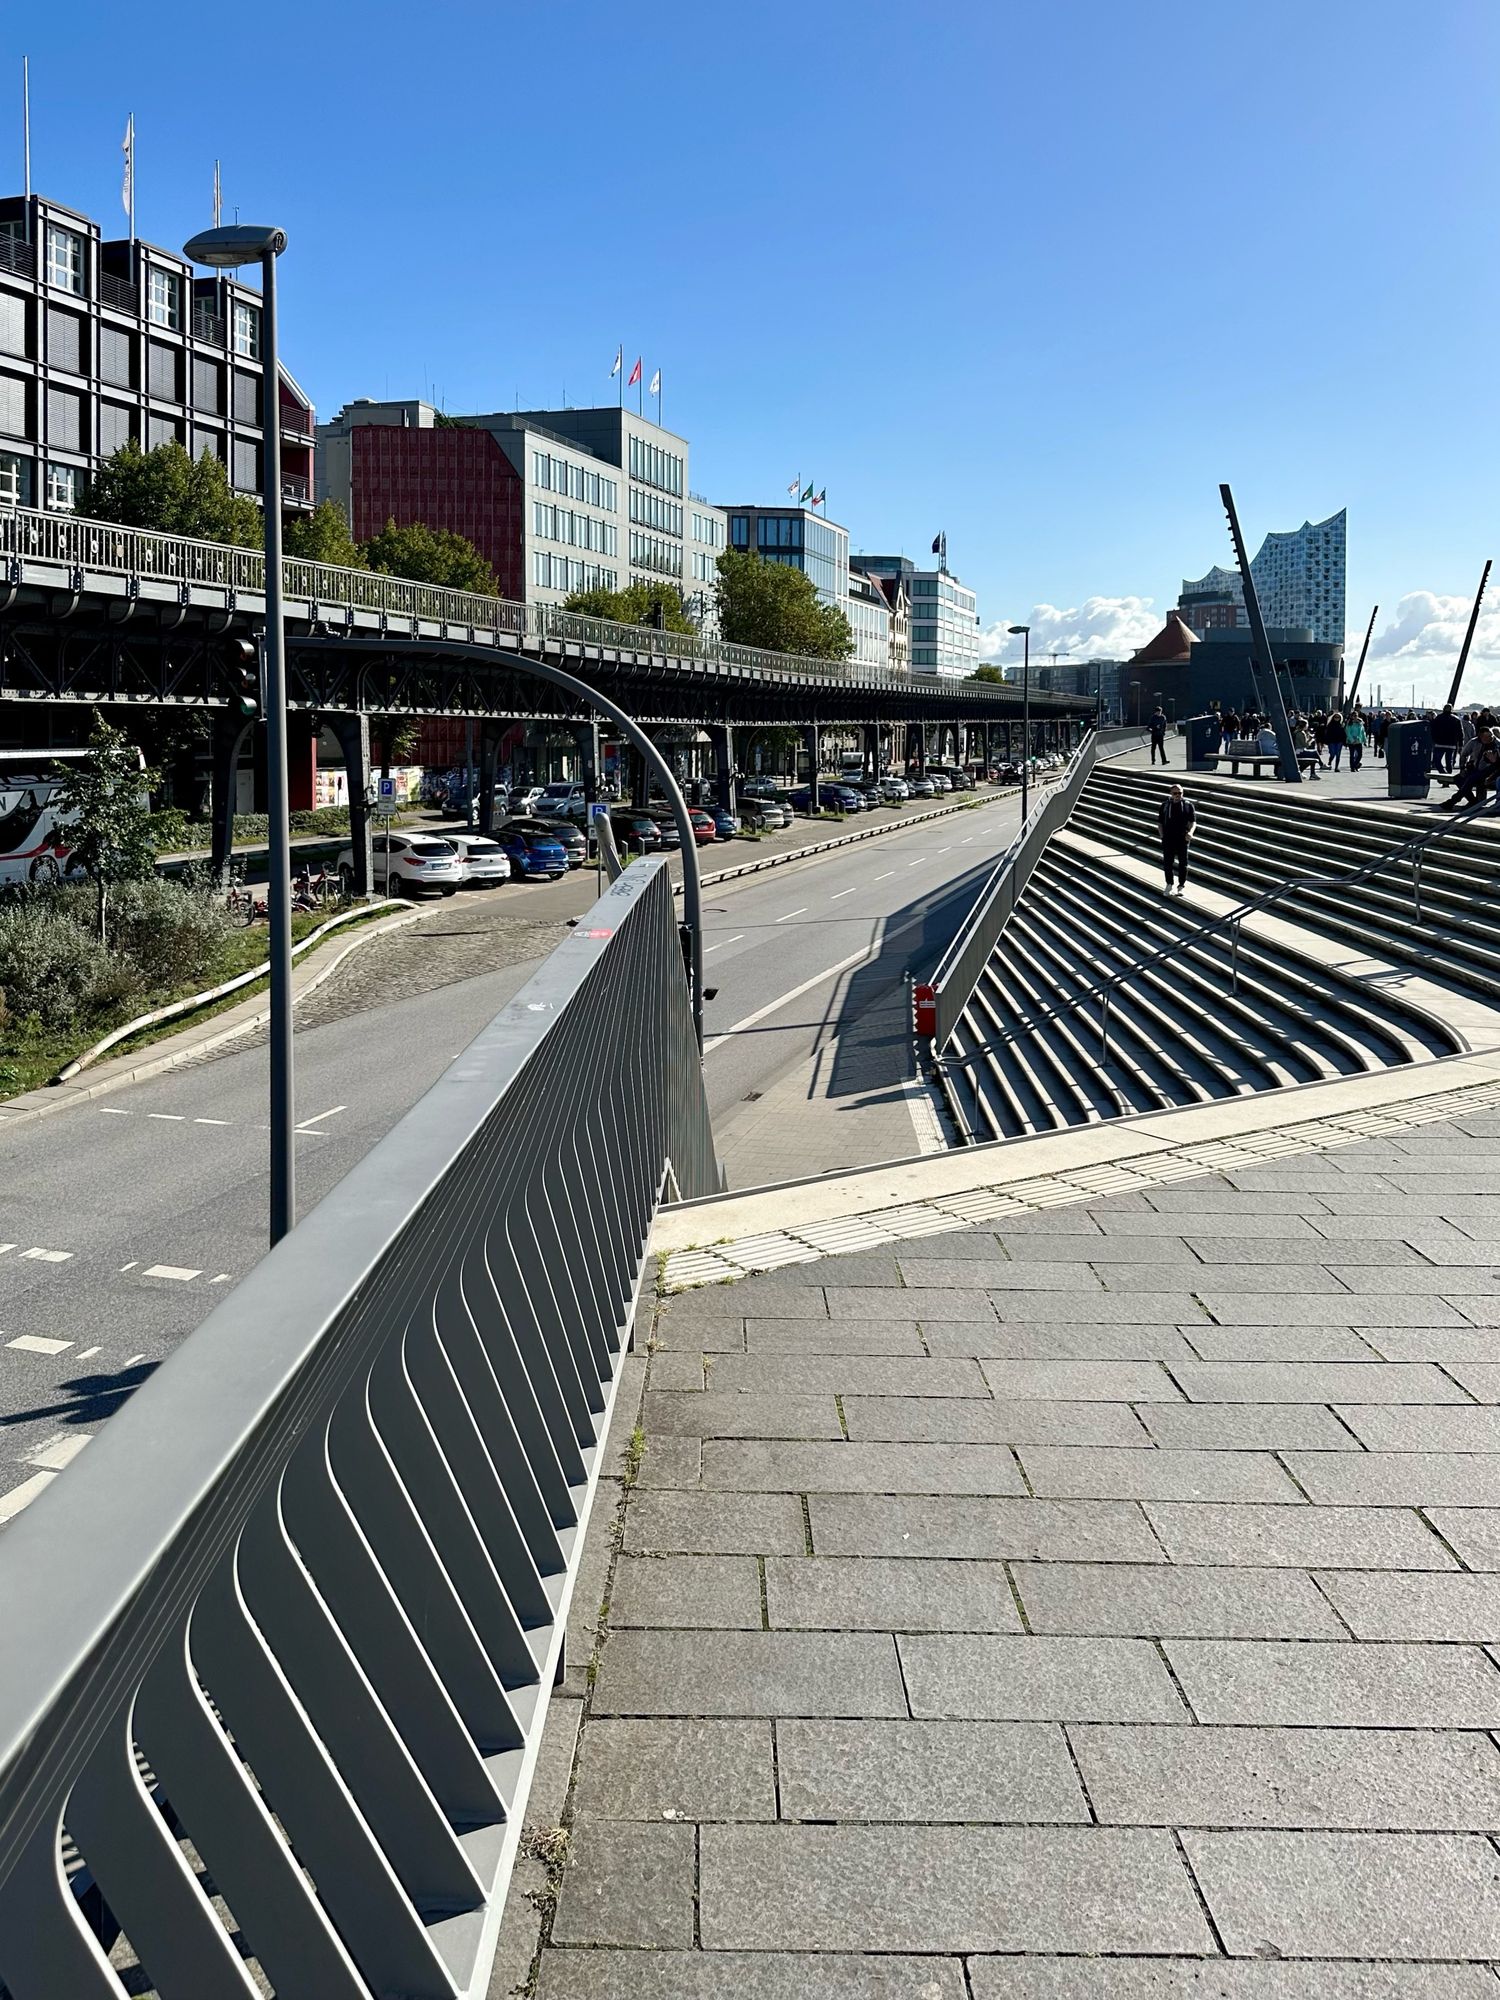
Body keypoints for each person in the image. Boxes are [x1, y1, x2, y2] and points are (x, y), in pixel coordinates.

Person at [1442, 726, 1500, 809]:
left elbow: (1496, 764)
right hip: (1474, 768)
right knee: (1459, 779)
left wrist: (1493, 762)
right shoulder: (1474, 742)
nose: (1490, 738)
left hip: (1489, 771)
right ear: (1481, 737)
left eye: (1491, 736)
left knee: (1472, 779)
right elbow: (1463, 754)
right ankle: (1473, 801)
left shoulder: (1497, 744)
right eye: (1487, 737)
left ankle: (1452, 801)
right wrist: (1462, 768)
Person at [1158, 783, 1195, 895]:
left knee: (1183, 863)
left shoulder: (1188, 805)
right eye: (1175, 793)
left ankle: (1181, 886)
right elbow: (1159, 822)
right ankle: (1169, 884)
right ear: (1171, 794)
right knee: (1168, 863)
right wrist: (1162, 836)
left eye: (1180, 793)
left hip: (1182, 837)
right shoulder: (1165, 805)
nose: (1178, 795)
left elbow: (1193, 822)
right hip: (1168, 838)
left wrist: (1191, 833)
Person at [1431, 702, 1464, 774]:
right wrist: (1461, 744)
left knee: (1437, 761)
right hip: (1451, 744)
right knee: (1449, 762)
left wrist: (1433, 740)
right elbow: (1460, 733)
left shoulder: (1438, 718)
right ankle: (1448, 777)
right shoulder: (1456, 719)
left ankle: (1443, 773)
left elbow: (1433, 730)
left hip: (1439, 743)